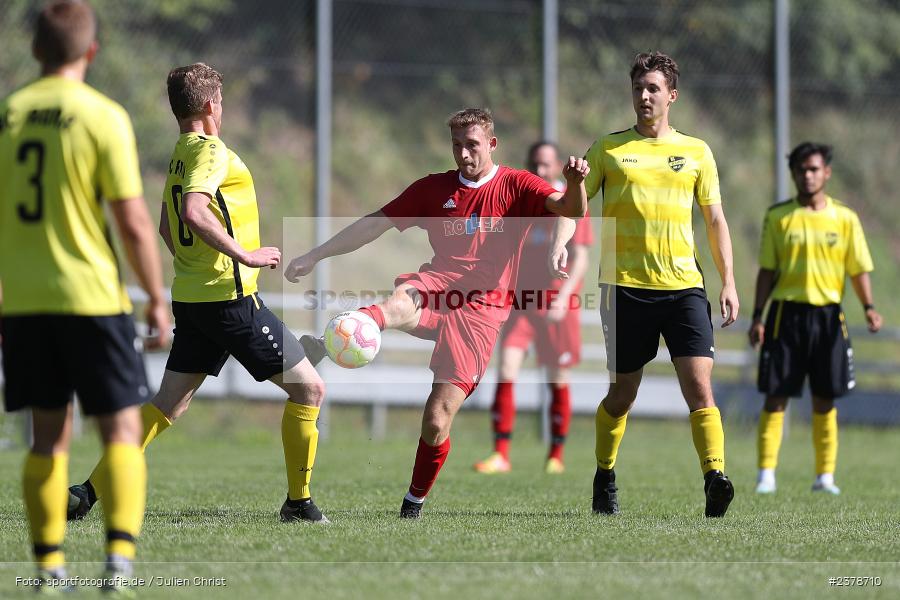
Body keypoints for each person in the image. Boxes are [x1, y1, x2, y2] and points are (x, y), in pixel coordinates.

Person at [285, 108, 588, 518]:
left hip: (482, 312)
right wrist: (316, 254)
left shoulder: (516, 184)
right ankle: (346, 332)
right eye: (457, 146)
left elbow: (569, 209)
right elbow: (374, 224)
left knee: (437, 418)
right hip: (436, 286)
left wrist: (568, 207)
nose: (463, 154)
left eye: (472, 145)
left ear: (492, 144)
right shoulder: (433, 189)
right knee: (398, 302)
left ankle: (413, 503)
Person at [66, 63, 330, 525]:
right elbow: (191, 212)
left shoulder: (180, 153)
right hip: (231, 304)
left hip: (194, 301)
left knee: (167, 405)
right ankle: (299, 503)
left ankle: (87, 492)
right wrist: (243, 255)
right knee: (309, 389)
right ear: (211, 105)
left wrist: (194, 265)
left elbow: (169, 224)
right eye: (222, 102)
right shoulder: (211, 150)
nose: (222, 109)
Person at [0, 0, 170, 588]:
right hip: (92, 300)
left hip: (24, 303)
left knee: (48, 437)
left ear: (35, 50)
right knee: (121, 430)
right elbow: (132, 222)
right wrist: (156, 295)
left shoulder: (8, 114)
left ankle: (49, 568)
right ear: (90, 52)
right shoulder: (102, 116)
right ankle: (118, 562)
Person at [580, 51, 739, 518]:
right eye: (637, 88)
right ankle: (604, 473)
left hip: (684, 288)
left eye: (653, 88)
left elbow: (715, 220)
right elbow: (575, 203)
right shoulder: (608, 148)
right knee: (623, 393)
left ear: (672, 95)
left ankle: (715, 479)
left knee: (700, 389)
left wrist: (728, 281)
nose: (644, 96)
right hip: (624, 289)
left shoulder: (696, 151)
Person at [749, 142, 881, 495]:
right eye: (801, 170)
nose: (807, 175)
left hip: (827, 318)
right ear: (793, 174)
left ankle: (825, 477)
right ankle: (766, 475)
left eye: (813, 169)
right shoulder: (778, 217)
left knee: (825, 398)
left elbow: (858, 269)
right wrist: (757, 315)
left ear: (827, 172)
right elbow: (767, 270)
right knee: (776, 395)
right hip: (785, 316)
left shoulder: (845, 218)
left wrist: (868, 307)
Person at [473, 141, 593, 475]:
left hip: (557, 305)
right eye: (535, 164)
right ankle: (501, 453)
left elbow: (581, 257)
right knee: (506, 368)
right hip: (522, 305)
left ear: (556, 167)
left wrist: (564, 296)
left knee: (557, 378)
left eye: (546, 165)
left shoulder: (569, 201)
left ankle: (556, 455)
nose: (540, 170)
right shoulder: (521, 202)